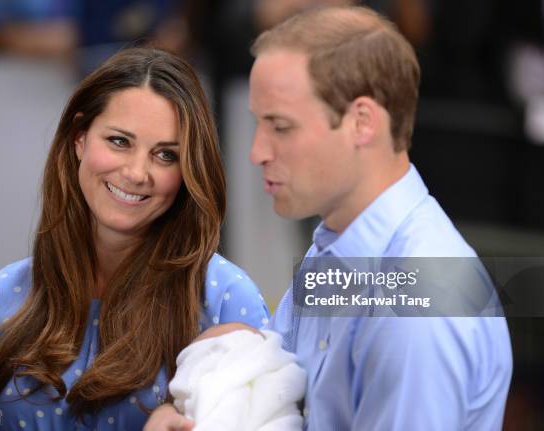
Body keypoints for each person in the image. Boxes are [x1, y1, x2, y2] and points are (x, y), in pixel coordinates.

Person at [145, 5, 513, 431]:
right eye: (259, 124)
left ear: (362, 122)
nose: (257, 151)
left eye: (280, 126)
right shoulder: (342, 247)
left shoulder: (418, 305)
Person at [0, 47, 269, 430]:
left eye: (166, 155)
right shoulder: (4, 295)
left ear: (188, 170)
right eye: (120, 141)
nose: (137, 173)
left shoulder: (227, 300)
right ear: (79, 137)